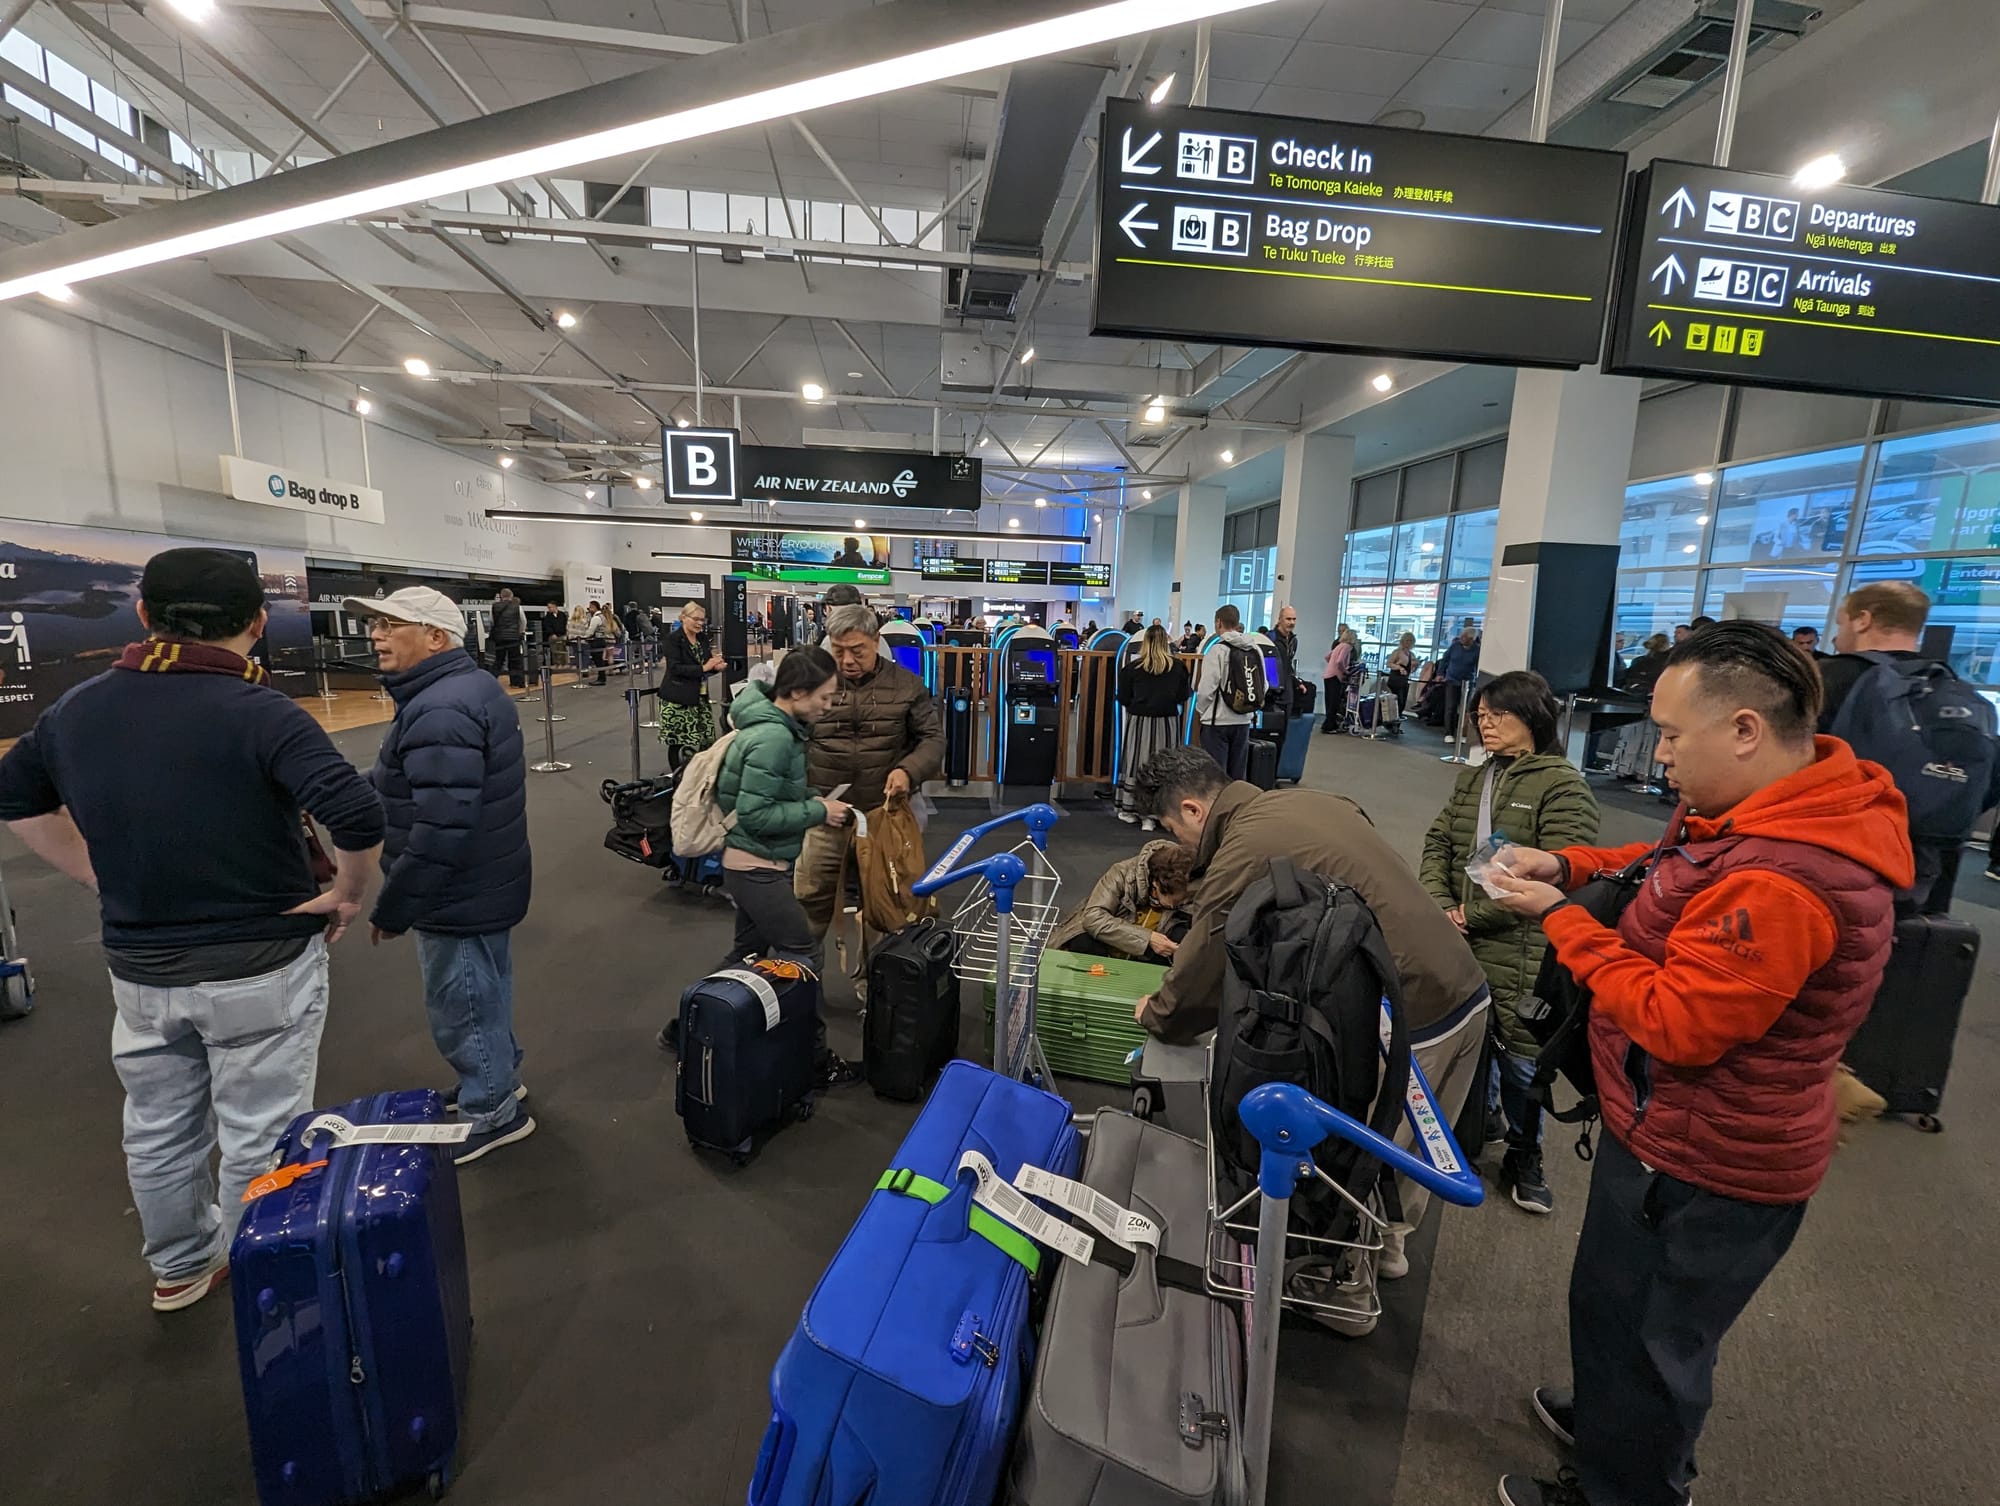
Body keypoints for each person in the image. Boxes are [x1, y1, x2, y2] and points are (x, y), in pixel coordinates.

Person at [1484, 622, 1912, 1506]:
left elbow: (1677, 1022)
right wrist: (1568, 864)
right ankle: (1612, 1428)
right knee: (1617, 1312)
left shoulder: (1785, 877)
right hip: (1670, 1132)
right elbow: (1662, 868)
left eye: (1674, 735)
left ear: (1746, 729)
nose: (1660, 755)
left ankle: (1624, 1482)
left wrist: (1561, 918)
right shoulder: (1758, 816)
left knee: (1654, 1343)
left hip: (1705, 1159)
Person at [0, 549, 383, 1311]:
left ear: (144, 614)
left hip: (142, 966)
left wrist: (94, 872)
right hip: (262, 960)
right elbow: (355, 812)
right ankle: (264, 1282)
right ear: (257, 622)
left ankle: (180, 1266)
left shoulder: (79, 708)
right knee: (262, 1132)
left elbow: (15, 797)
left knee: (157, 1127)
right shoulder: (261, 710)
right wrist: (347, 893)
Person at [1134, 746, 1491, 1292]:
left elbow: (1204, 962)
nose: (1177, 841)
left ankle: (1344, 1287)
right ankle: (1387, 1252)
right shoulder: (1309, 802)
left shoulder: (1244, 846)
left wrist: (1159, 1013)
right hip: (1462, 984)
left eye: (1170, 827)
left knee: (1369, 1152)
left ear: (1192, 810)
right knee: (1415, 1150)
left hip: (1410, 1009)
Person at [350, 586, 535, 1165]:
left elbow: (442, 825)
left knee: (463, 1002)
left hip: (457, 889)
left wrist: (396, 905)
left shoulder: (441, 708)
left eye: (391, 625)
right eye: (376, 624)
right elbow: (419, 782)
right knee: (485, 989)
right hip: (482, 880)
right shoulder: (460, 691)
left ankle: (493, 1110)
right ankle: (497, 1079)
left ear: (435, 637)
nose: (376, 635)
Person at [1419, 671, 1599, 1216]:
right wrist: (1439, 904)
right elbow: (1439, 840)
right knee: (1475, 1044)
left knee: (1523, 1060)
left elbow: (1562, 878)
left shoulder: (1563, 786)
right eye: (1481, 716)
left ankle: (1526, 1154)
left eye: (1498, 715)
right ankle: (1487, 1122)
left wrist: (1469, 915)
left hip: (1526, 951)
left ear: (1534, 718)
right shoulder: (1476, 778)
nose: (1486, 724)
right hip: (1463, 940)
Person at [713, 646, 858, 1084]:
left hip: (751, 863)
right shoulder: (775, 738)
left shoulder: (775, 727)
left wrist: (808, 802)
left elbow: (764, 797)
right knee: (803, 952)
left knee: (746, 956)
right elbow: (755, 814)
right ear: (797, 692)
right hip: (756, 866)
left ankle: (690, 1024)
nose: (828, 706)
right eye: (824, 697)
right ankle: (814, 1060)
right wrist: (818, 811)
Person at [795, 604, 945, 990]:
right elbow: (786, 729)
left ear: (876, 642)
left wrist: (908, 771)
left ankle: (875, 994)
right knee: (808, 904)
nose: (847, 660)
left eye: (857, 650)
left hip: (881, 819)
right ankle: (799, 987)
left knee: (882, 908)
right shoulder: (811, 681)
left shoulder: (907, 685)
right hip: (823, 813)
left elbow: (932, 739)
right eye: (838, 650)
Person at [1819, 582, 1977, 909]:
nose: (1837, 635)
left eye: (1841, 623)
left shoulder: (1830, 678)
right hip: (1928, 864)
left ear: (1862, 620)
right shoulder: (1953, 688)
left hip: (1841, 852)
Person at [1047, 839, 1193, 961]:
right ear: (1156, 885)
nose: (1182, 904)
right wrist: (1148, 938)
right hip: (1107, 939)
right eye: (1176, 901)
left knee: (1182, 941)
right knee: (1085, 943)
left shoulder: (1192, 881)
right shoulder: (1122, 873)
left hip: (1154, 944)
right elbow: (1093, 918)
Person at [1114, 624, 1191, 827]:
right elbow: (1183, 695)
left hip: (1139, 722)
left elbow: (1123, 697)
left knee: (1136, 763)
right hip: (1168, 722)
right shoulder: (1178, 667)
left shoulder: (1132, 668)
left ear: (1145, 643)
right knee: (1165, 766)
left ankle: (1132, 810)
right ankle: (1159, 813)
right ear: (1166, 643)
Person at [1193, 605, 1259, 781]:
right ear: (1237, 622)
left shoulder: (1217, 650)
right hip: (1243, 720)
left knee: (1216, 778)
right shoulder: (1254, 649)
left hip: (1217, 722)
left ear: (1218, 622)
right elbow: (1263, 685)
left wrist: (1202, 711)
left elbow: (1206, 688)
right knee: (1237, 777)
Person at [658, 599, 724, 770]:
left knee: (707, 739)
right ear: (683, 618)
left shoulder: (702, 639)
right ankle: (678, 776)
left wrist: (716, 668)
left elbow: (705, 667)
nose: (700, 623)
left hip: (699, 698)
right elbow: (675, 668)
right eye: (696, 619)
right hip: (677, 700)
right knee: (678, 742)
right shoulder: (672, 639)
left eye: (702, 620)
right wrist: (705, 667)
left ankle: (700, 774)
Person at [1434, 625, 1482, 732]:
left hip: (1468, 682)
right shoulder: (1455, 646)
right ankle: (1449, 733)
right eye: (1461, 635)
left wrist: (1477, 680)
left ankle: (1462, 732)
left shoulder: (1477, 650)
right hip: (1452, 680)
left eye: (1464, 636)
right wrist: (1440, 674)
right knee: (1450, 707)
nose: (1461, 638)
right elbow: (1445, 660)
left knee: (1466, 708)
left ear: (1471, 639)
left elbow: (1478, 666)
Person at [488, 587, 526, 689]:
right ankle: (516, 683)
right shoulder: (517, 607)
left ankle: (491, 682)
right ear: (511, 596)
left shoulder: (494, 607)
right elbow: (523, 621)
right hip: (514, 638)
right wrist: (520, 632)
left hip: (499, 638)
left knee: (498, 660)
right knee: (515, 660)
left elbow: (491, 621)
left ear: (501, 596)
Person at [1321, 629, 1357, 734]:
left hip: (1328, 675)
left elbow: (1327, 657)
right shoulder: (1347, 647)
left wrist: (1331, 665)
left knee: (1329, 701)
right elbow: (1340, 661)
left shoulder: (1339, 645)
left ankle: (1327, 724)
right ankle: (1330, 726)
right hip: (1335, 676)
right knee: (1334, 702)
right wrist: (1345, 671)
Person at [1270, 605, 1300, 717]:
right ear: (1280, 619)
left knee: (1285, 725)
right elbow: (1268, 667)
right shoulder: (1270, 639)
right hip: (1273, 695)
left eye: (1294, 619)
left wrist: (1297, 682)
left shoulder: (1293, 641)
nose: (1292, 622)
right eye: (1288, 619)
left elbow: (1287, 665)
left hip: (1287, 694)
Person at [1384, 631, 1417, 711]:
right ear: (1403, 641)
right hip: (1396, 679)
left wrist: (1415, 666)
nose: (1409, 643)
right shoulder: (1397, 652)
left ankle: (1399, 716)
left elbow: (1411, 670)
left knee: (1403, 702)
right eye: (1407, 640)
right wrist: (1399, 667)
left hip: (1404, 680)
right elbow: (1388, 663)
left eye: (1411, 641)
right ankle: (1395, 717)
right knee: (1399, 701)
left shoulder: (1411, 654)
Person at [582, 599, 612, 685]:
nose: (589, 609)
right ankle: (601, 678)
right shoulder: (602, 616)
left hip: (596, 641)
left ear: (594, 607)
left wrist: (583, 637)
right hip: (601, 640)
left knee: (598, 660)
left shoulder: (596, 618)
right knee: (600, 660)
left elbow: (590, 631)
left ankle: (601, 679)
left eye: (590, 607)